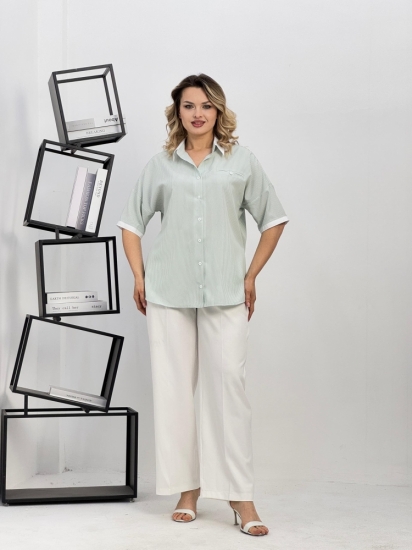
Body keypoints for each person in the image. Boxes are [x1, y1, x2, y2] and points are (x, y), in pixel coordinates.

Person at [118, 73, 289, 537]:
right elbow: (131, 223)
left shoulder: (241, 161)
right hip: (168, 292)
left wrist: (251, 275)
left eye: (206, 106)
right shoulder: (161, 165)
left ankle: (240, 497)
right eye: (189, 105)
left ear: (218, 111)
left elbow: (273, 219)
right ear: (178, 111)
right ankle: (187, 491)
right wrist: (139, 275)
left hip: (226, 292)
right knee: (173, 391)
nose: (198, 114)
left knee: (229, 388)